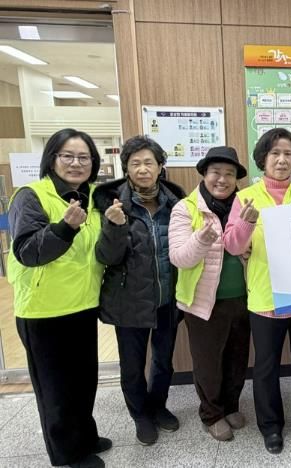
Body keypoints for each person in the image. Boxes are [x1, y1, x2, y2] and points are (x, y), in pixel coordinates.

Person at [7, 128, 111, 467]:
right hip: (43, 310)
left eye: (84, 157)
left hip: (83, 305)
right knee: (56, 388)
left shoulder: (92, 197)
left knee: (84, 380)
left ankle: (85, 436)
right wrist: (64, 228)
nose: (76, 163)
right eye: (68, 156)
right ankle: (68, 453)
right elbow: (27, 251)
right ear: (52, 159)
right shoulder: (31, 196)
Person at [223, 128, 291, 454]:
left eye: (288, 154)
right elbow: (233, 245)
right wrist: (246, 224)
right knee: (266, 367)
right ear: (263, 159)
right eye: (275, 153)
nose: (282, 160)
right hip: (265, 296)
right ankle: (270, 426)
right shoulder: (245, 197)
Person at [93, 136, 184, 446]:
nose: (143, 169)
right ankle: (140, 415)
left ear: (160, 167)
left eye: (149, 163)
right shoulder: (112, 204)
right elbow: (106, 257)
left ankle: (158, 406)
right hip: (128, 301)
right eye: (135, 164)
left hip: (167, 299)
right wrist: (114, 227)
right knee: (132, 366)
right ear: (126, 169)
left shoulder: (175, 204)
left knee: (164, 361)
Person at [168, 146, 250, 442]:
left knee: (237, 358)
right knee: (208, 363)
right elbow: (179, 258)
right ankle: (212, 414)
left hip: (243, 298)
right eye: (216, 172)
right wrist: (202, 239)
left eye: (230, 174)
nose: (222, 179)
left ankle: (231, 405)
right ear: (204, 174)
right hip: (204, 302)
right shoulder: (186, 208)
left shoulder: (245, 205)